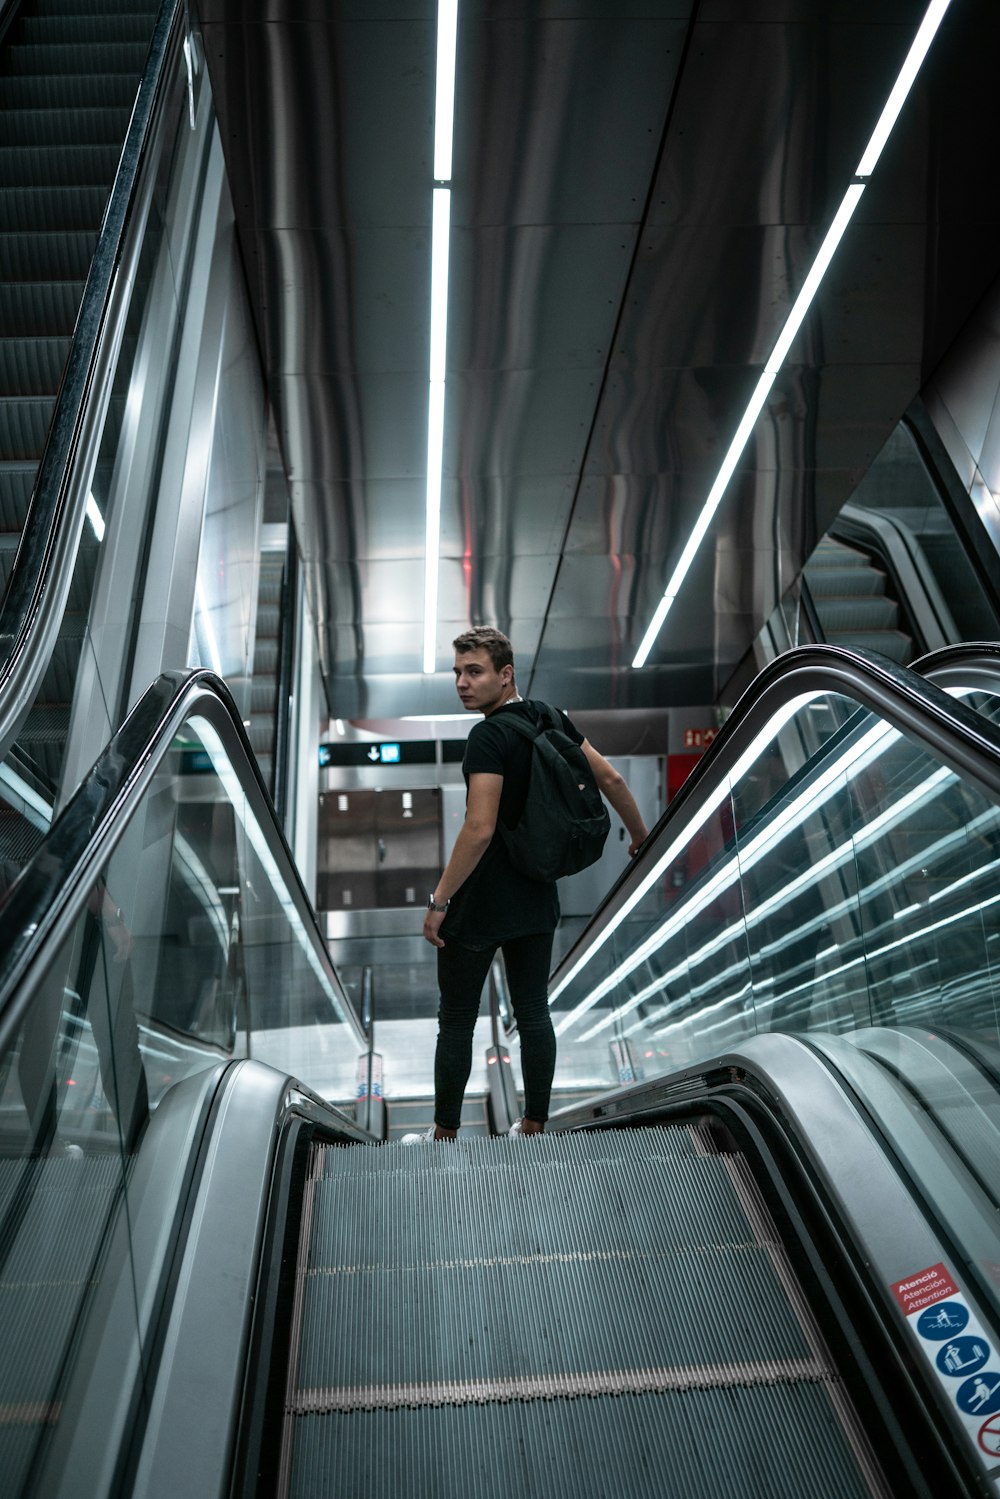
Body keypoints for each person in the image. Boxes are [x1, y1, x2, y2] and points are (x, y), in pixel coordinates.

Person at [421, 626, 649, 1140]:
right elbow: (611, 779)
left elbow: (478, 828)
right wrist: (640, 838)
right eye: (457, 672)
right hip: (536, 896)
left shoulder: (487, 736)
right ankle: (534, 1125)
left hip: (479, 904)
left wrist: (440, 900)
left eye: (474, 671)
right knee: (533, 1012)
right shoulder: (551, 716)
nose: (462, 682)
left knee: (456, 1020)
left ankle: (445, 1136)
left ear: (505, 675)